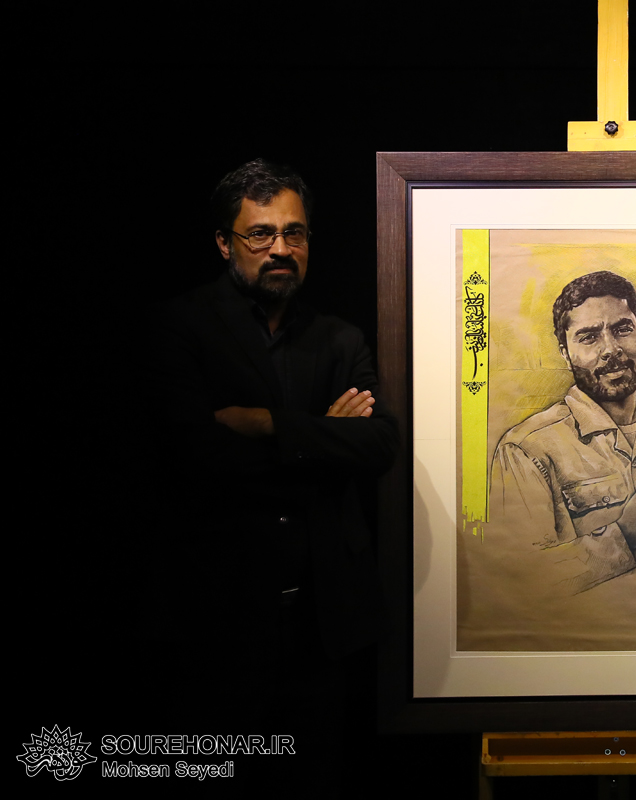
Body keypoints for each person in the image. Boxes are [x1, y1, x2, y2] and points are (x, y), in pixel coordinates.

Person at [151, 159, 399, 788]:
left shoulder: (340, 338)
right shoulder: (183, 327)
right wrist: (324, 436)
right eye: (261, 234)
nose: (281, 249)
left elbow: (378, 445)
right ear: (223, 243)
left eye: (295, 233)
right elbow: (195, 459)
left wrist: (266, 423)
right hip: (219, 619)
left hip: (325, 622)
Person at [471, 271, 636, 649]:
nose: (611, 349)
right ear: (565, 352)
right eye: (589, 337)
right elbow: (519, 583)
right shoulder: (526, 449)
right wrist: (625, 534)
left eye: (623, 329)